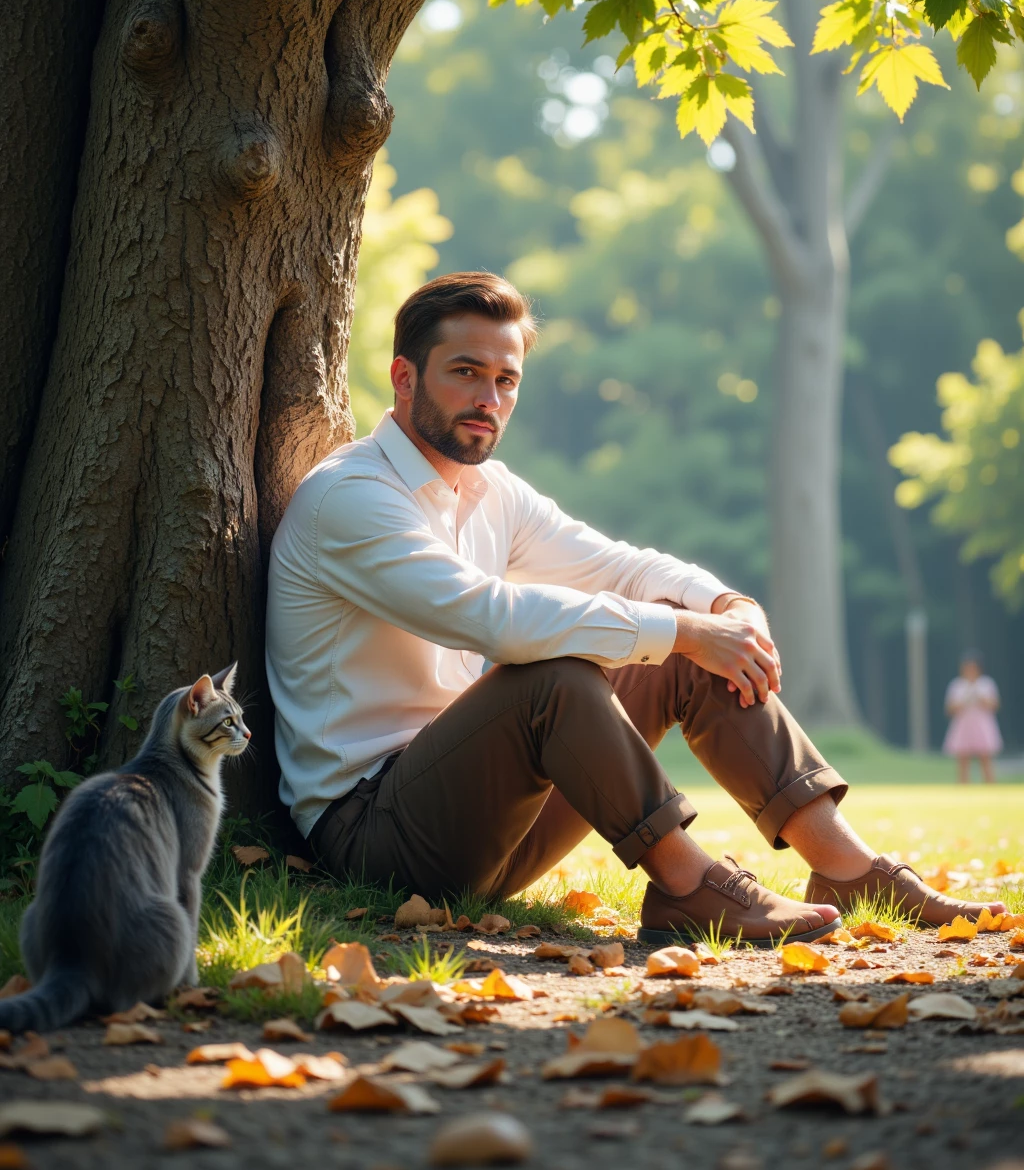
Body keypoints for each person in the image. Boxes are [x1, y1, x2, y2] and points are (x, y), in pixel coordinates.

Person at [266, 273, 1003, 944]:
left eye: (506, 380)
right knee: (554, 675)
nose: (489, 401)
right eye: (465, 374)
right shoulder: (353, 498)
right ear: (404, 376)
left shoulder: (490, 492)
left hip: (491, 823)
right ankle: (690, 887)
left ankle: (848, 866)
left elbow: (618, 565)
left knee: (685, 651)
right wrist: (685, 629)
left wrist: (723, 606)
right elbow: (491, 617)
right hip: (375, 836)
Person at [943, 651, 1002, 785]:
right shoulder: (957, 685)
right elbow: (950, 708)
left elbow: (994, 704)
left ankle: (991, 789)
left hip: (982, 725)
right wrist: (965, 699)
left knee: (985, 759)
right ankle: (963, 788)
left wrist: (979, 697)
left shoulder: (986, 683)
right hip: (964, 725)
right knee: (963, 761)